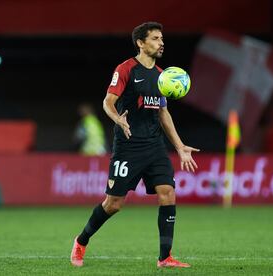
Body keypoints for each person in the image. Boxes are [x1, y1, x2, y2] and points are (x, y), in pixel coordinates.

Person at [70, 22, 199, 268]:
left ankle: (165, 257)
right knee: (114, 204)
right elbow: (108, 101)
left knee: (167, 193)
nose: (161, 42)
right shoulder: (126, 69)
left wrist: (180, 146)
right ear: (141, 43)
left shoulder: (162, 76)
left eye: (162, 38)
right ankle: (81, 240)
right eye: (155, 38)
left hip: (155, 147)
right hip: (128, 147)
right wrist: (118, 118)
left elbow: (163, 113)